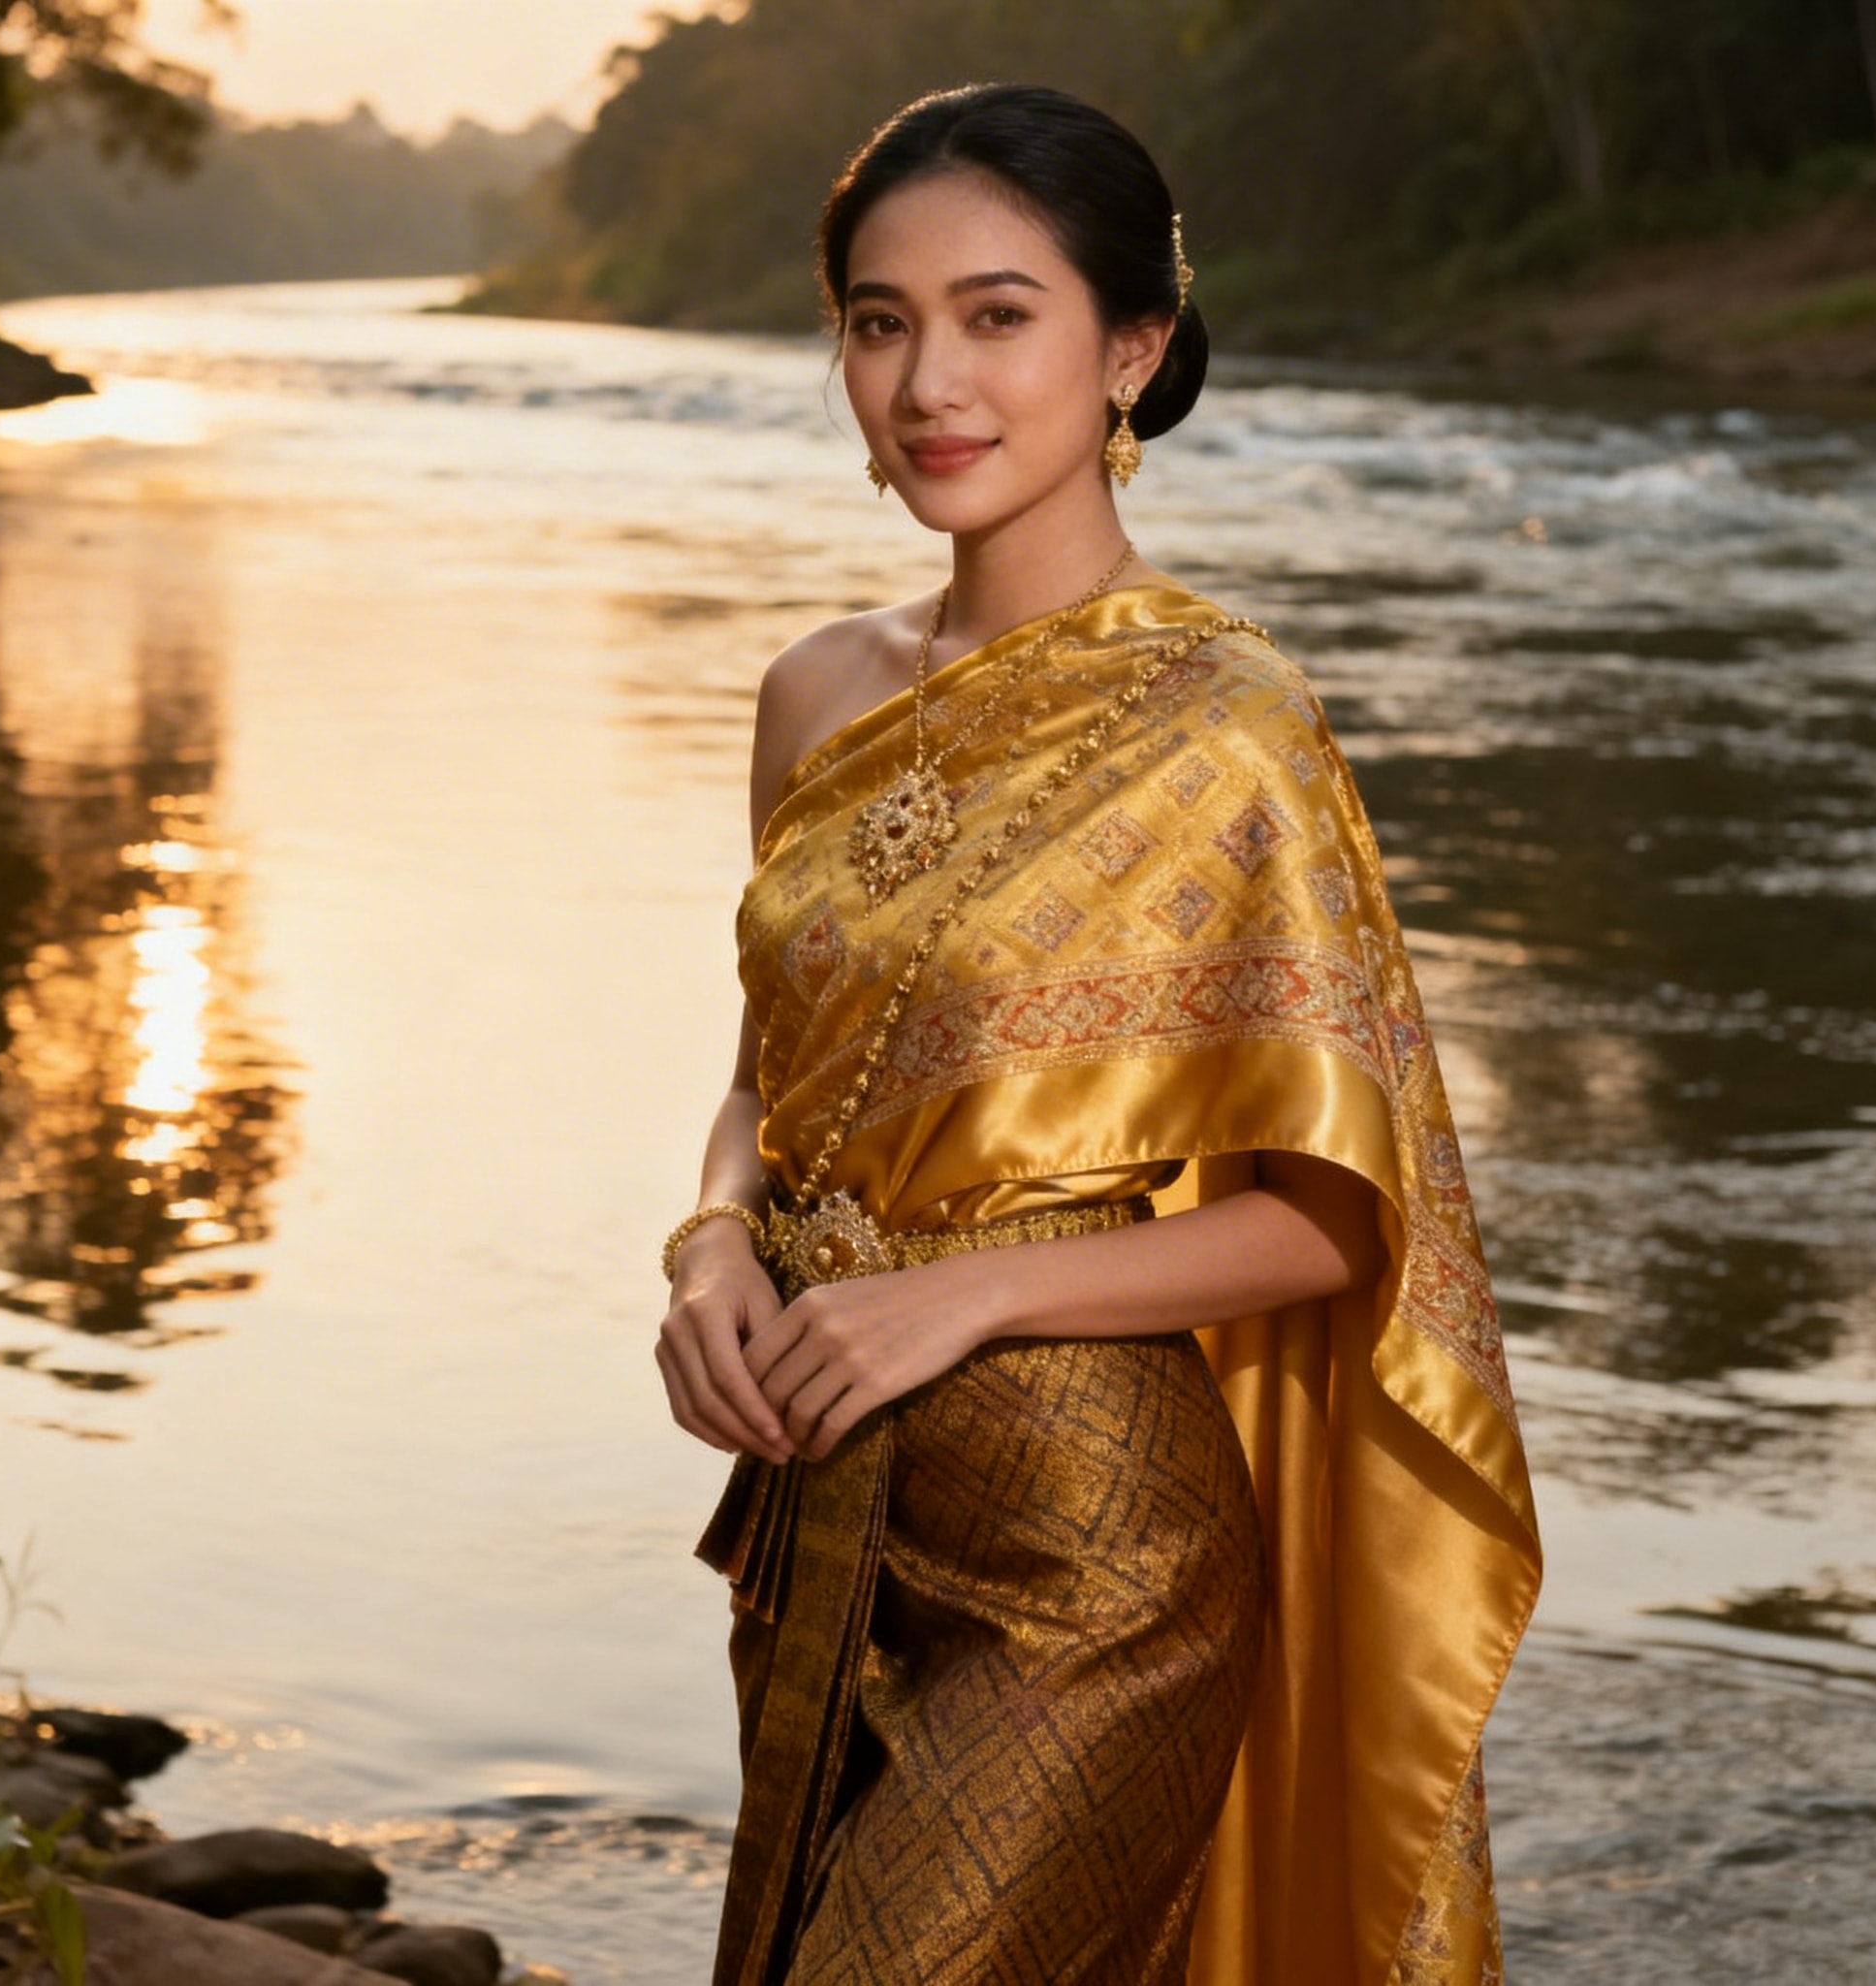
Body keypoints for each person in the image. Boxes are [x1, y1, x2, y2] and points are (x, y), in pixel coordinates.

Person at [655, 82, 1540, 1986]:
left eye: (996, 314)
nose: (926, 383)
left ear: (1129, 347)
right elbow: (768, 1080)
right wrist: (712, 1235)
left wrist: (960, 1294)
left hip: (1098, 1568)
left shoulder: (1230, 725)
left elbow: (1332, 1221)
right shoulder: (816, 689)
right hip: (821, 1503)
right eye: (878, 324)